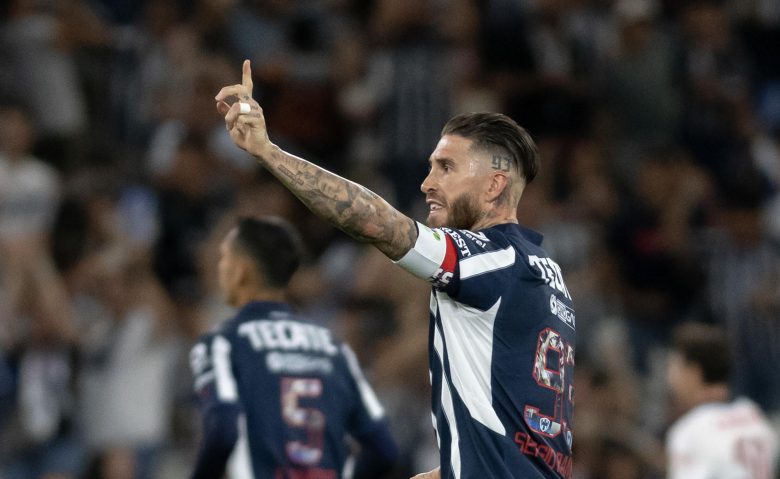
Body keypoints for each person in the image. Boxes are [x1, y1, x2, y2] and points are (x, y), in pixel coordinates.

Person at [215, 60, 576, 479]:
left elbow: (377, 222)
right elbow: (514, 440)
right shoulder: (545, 274)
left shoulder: (488, 259)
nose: (426, 183)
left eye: (446, 168)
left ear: (494, 186)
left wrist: (268, 151)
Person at [189, 216, 398, 479]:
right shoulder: (333, 348)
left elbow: (222, 430)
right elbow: (384, 449)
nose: (220, 268)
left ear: (241, 269)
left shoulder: (222, 344)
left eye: (224, 258)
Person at [665, 322, 779, 479]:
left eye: (674, 366)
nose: (670, 377)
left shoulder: (689, 432)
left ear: (692, 373)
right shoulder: (755, 416)